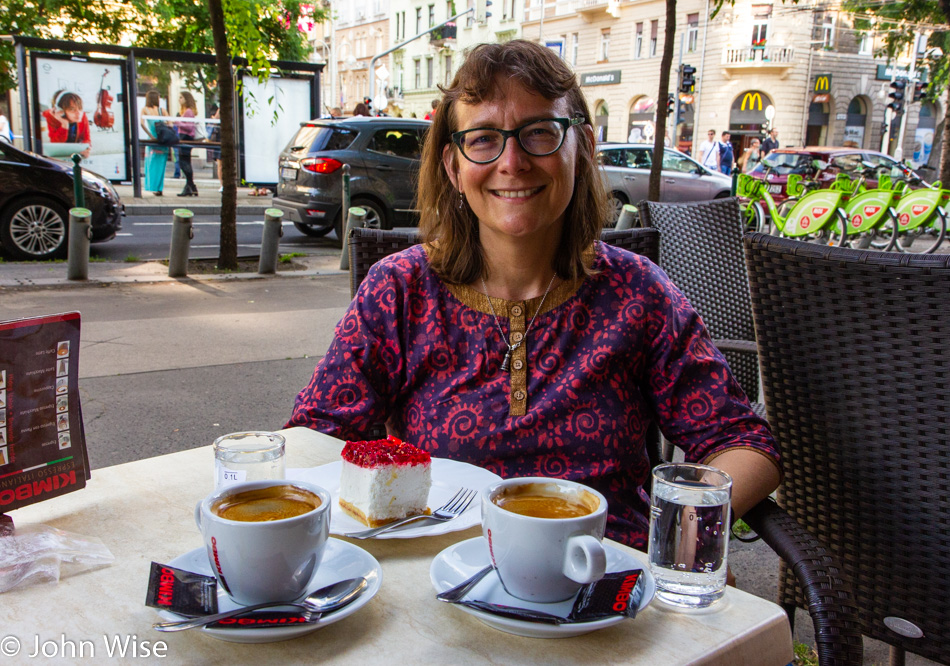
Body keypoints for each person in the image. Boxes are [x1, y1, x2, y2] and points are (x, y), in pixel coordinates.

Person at [286, 39, 781, 549]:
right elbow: (315, 439)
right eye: (482, 139)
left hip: (608, 587)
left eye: (539, 132)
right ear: (454, 166)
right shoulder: (400, 290)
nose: (513, 162)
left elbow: (744, 444)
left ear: (583, 147)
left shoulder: (638, 292)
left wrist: (674, 543)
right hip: (441, 583)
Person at [42, 91, 91, 158]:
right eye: (72, 109)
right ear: (61, 110)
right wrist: (64, 125)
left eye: (80, 109)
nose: (78, 113)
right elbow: (56, 145)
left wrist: (87, 149)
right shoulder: (52, 118)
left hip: (75, 156)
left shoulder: (82, 116)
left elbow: (86, 139)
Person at [140, 91, 169, 196]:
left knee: (151, 163)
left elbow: (142, 123)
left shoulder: (145, 110)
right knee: (161, 164)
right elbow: (169, 123)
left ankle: (151, 186)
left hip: (152, 139)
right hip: (163, 140)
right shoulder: (162, 110)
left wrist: (151, 135)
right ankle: (159, 187)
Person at [176, 92, 199, 197]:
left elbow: (189, 127)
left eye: (181, 97)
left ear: (186, 99)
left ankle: (190, 186)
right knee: (184, 161)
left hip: (185, 137)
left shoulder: (188, 111)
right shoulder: (185, 111)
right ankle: (191, 186)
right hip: (184, 137)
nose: (179, 99)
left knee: (184, 162)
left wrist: (177, 121)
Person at [205, 104, 222, 193]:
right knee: (220, 165)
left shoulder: (223, 108)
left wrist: (213, 118)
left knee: (221, 165)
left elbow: (215, 121)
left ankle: (223, 184)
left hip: (222, 140)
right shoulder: (222, 108)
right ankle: (222, 184)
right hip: (220, 139)